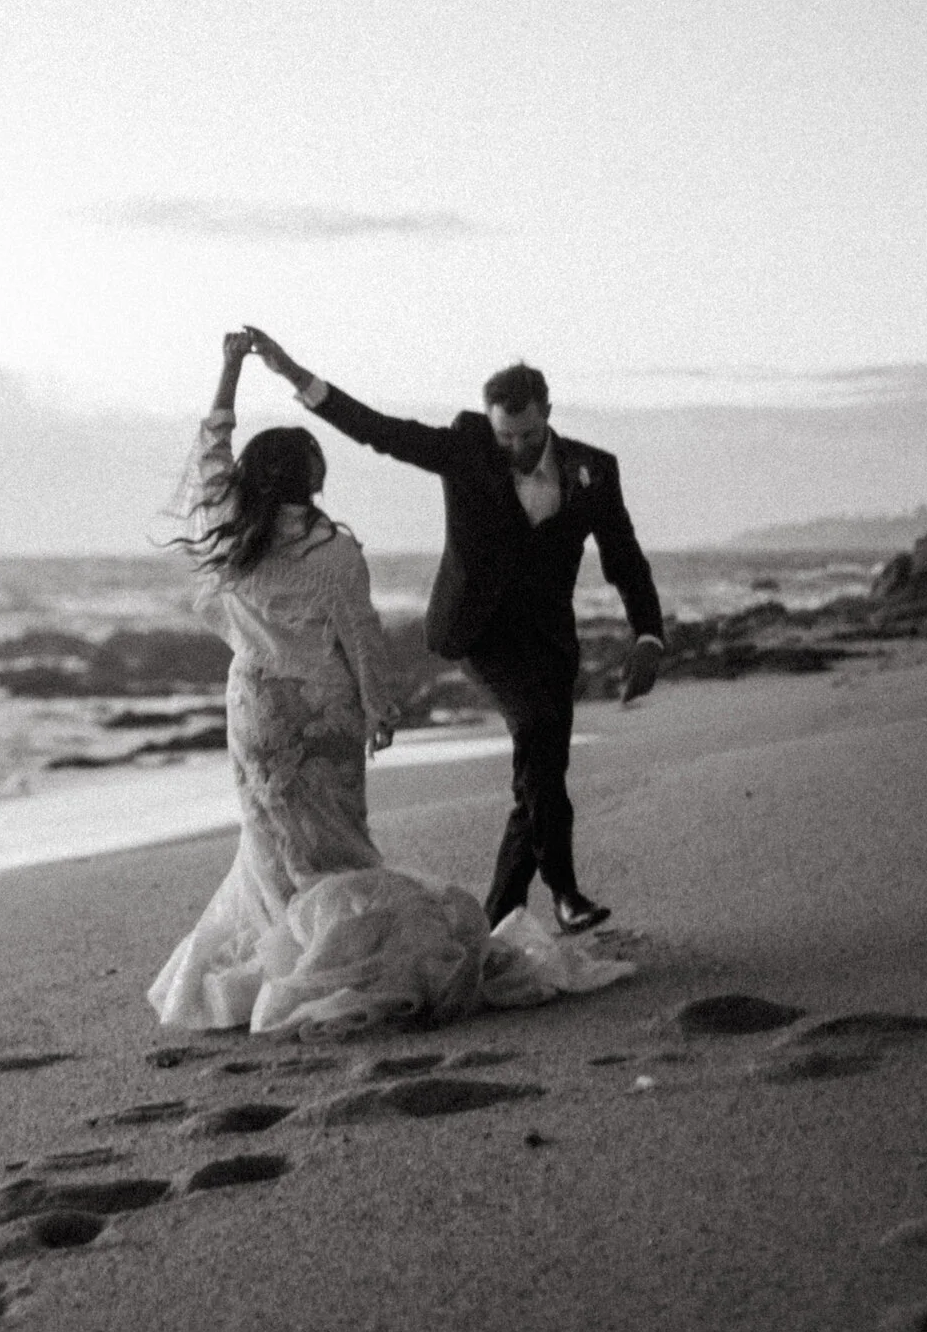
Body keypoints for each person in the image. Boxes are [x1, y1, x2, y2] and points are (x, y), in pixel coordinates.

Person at [146, 334, 631, 1038]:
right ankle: (336, 959)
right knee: (338, 847)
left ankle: (279, 954)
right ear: (309, 483)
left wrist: (228, 370)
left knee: (271, 845)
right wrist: (379, 708)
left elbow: (211, 449)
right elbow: (360, 637)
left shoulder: (230, 526)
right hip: (323, 716)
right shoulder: (333, 551)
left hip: (252, 710)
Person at [244, 328, 666, 935]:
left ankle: (498, 919)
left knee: (540, 769)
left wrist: (647, 634)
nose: (516, 447)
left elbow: (624, 556)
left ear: (547, 412)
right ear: (490, 424)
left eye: (527, 435)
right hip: (480, 633)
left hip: (549, 639)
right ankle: (565, 890)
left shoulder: (594, 469)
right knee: (540, 734)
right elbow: (381, 432)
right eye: (505, 436)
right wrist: (295, 376)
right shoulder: (466, 448)